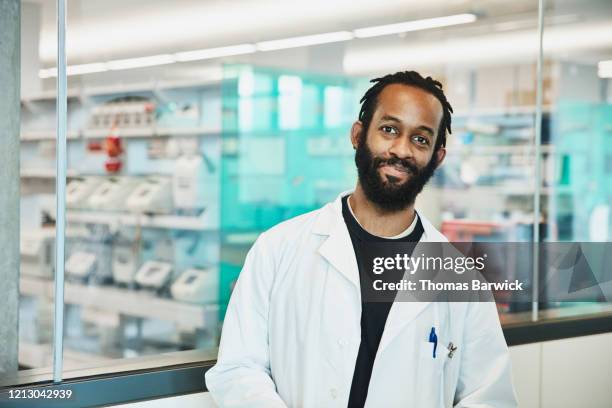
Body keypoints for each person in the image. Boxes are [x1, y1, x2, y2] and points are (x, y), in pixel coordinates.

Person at [205, 71, 518, 407]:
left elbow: (487, 398)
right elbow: (239, 367)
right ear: (358, 135)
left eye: (420, 139)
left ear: (437, 158)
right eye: (389, 129)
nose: (401, 149)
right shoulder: (278, 249)